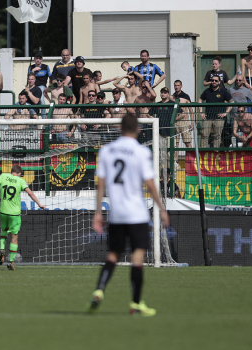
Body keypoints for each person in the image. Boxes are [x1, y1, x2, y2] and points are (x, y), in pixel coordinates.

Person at [87, 112, 170, 316]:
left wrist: (98, 212)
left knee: (113, 255)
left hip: (116, 214)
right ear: (138, 130)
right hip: (137, 213)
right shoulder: (141, 152)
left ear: (119, 128)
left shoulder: (107, 150)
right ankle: (135, 303)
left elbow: (101, 184)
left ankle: (99, 289)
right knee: (137, 257)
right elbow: (150, 184)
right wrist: (162, 208)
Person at [0, 165, 46, 270]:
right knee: (14, 236)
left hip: (2, 210)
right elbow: (30, 193)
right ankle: (11, 262)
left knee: (4, 230)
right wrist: (39, 204)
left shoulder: (3, 176)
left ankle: (2, 249)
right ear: (19, 174)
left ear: (11, 171)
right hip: (14, 213)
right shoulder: (21, 181)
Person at [198, 76, 234, 148]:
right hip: (208, 117)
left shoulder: (223, 91)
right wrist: (201, 112)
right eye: (212, 80)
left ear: (219, 82)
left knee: (217, 136)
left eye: (216, 80)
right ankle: (202, 154)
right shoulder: (207, 91)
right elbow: (200, 100)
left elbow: (232, 101)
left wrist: (226, 113)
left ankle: (215, 154)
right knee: (204, 135)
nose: (214, 82)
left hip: (219, 118)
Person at [171, 80, 192, 148]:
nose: (176, 87)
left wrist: (192, 123)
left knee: (187, 142)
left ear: (181, 86)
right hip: (175, 122)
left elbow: (191, 110)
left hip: (184, 122)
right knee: (175, 144)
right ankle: (175, 159)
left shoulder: (186, 96)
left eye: (178, 85)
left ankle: (191, 158)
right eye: (175, 85)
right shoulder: (172, 97)